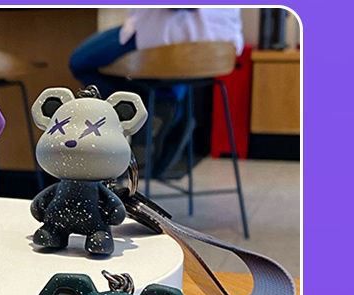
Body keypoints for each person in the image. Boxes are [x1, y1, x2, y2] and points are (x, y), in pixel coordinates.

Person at [69, 8, 244, 177]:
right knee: (171, 78)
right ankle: (165, 107)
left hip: (164, 37)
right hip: (221, 44)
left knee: (80, 62)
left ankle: (147, 107)